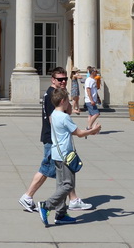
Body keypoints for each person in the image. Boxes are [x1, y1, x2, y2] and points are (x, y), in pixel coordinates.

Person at [19, 67, 93, 214]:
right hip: (52, 139)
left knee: (65, 171)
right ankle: (27, 196)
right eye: (60, 79)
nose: (64, 81)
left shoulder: (58, 94)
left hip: (55, 139)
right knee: (47, 169)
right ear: (53, 80)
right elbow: (54, 119)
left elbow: (69, 110)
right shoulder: (51, 95)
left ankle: (73, 200)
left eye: (65, 79)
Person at [37, 87, 101, 226]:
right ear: (62, 101)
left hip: (56, 154)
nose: (69, 103)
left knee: (61, 185)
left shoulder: (53, 114)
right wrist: (93, 130)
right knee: (68, 185)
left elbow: (69, 132)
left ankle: (60, 214)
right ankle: (46, 205)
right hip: (66, 154)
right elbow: (78, 133)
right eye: (67, 101)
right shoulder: (64, 117)